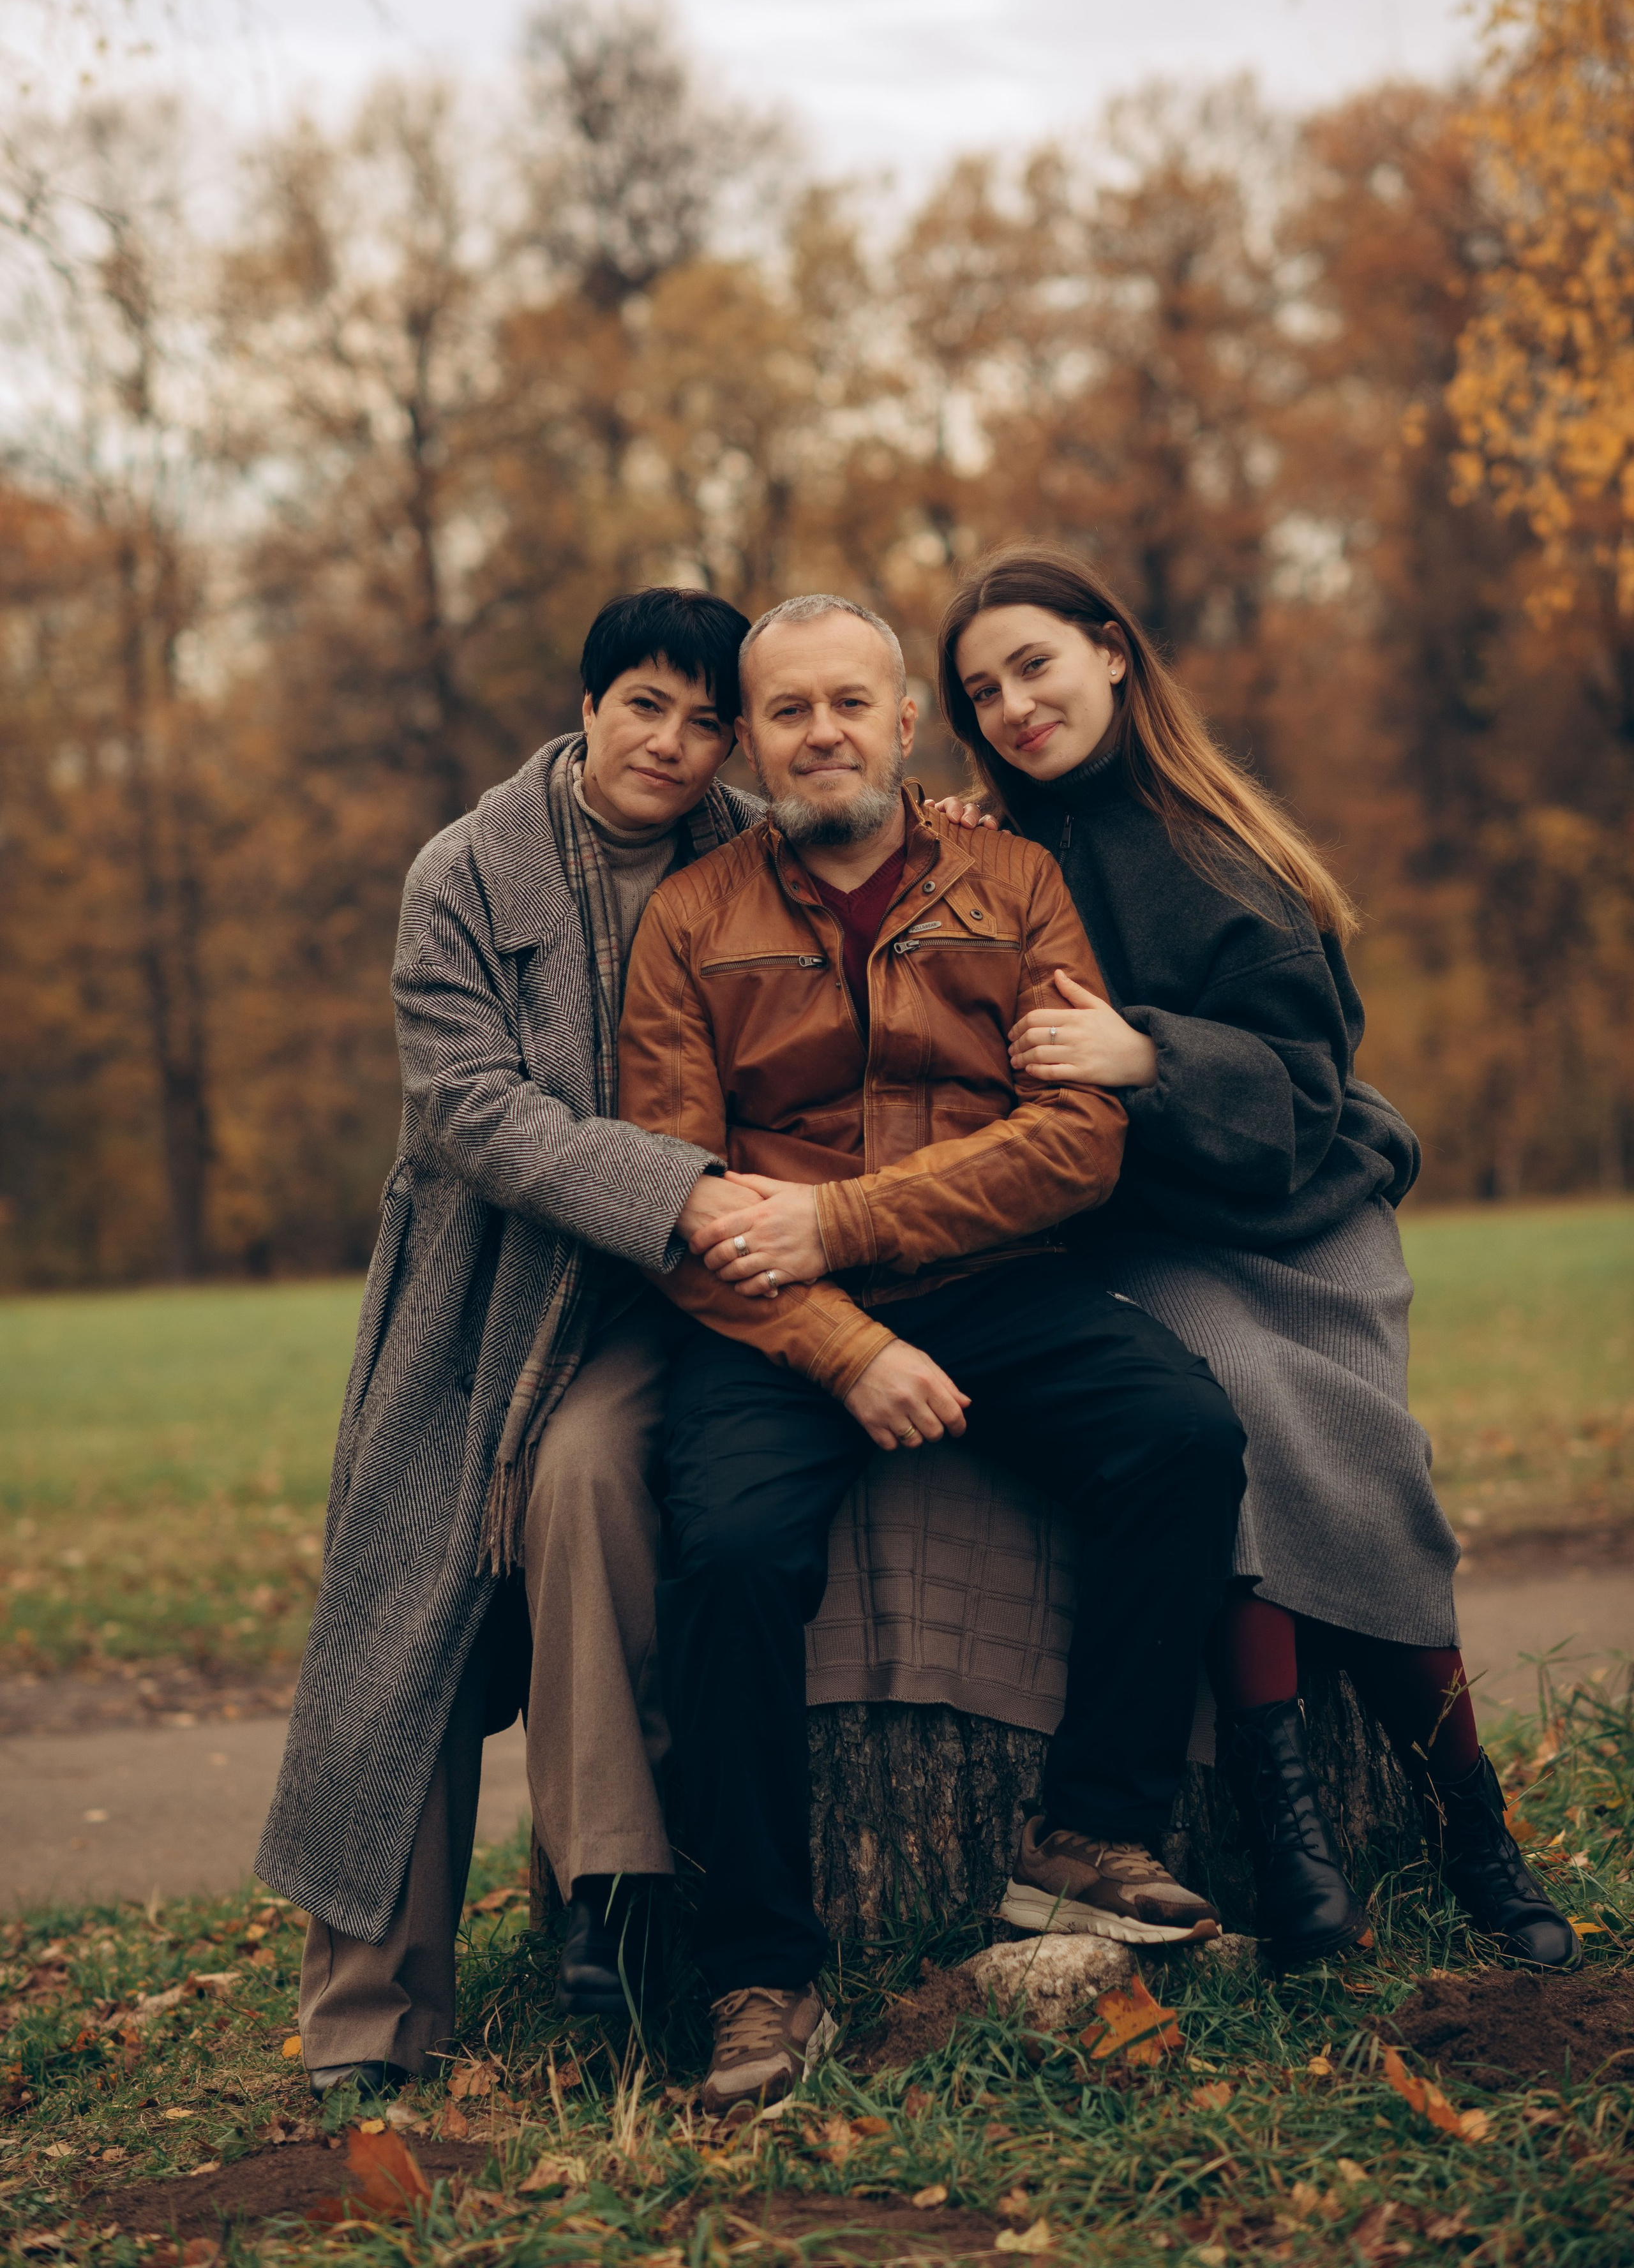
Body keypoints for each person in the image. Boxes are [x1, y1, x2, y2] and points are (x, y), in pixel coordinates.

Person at [617, 592, 1248, 2115]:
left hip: (984, 1276)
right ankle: (759, 1974)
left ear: (906, 726)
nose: (820, 731)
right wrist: (839, 1345)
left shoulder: (1015, 877)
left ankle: (1086, 1831)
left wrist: (841, 1221)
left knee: (1179, 1434)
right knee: (729, 1556)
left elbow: (1075, 1143)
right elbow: (675, 1188)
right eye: (786, 711)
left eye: (851, 702)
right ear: (749, 745)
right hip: (771, 1315)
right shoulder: (689, 918)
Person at [936, 544, 1578, 1974]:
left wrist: (1144, 1052)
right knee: (1224, 1412)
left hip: (1303, 1220)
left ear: (1110, 650)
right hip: (1147, 1238)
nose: (1012, 706)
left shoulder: (1217, 841)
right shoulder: (992, 856)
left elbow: (1305, 1085)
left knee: (1361, 1453)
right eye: (979, 691)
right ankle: (1288, 1838)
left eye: (1032, 664)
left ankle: (1467, 1822)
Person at [255, 587, 772, 2094]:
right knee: (399, 1612)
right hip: (481, 1291)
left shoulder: (751, 846)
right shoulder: (467, 869)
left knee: (583, 1496)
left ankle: (605, 1915)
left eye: (703, 719)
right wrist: (679, 1189)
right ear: (590, 704)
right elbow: (467, 1108)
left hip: (660, 1299)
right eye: (642, 707)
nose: (670, 745)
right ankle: (368, 2018)